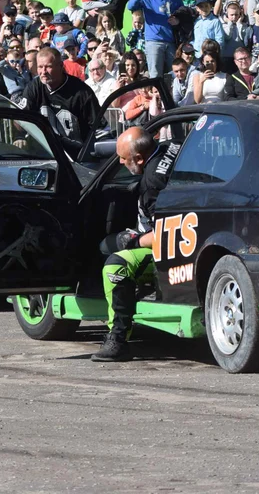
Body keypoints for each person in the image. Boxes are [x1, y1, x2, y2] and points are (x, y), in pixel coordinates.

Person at [92, 127, 181, 362]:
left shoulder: (152, 183)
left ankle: (117, 339)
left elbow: (165, 233)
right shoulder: (173, 147)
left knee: (113, 263)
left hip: (170, 249)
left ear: (139, 158)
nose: (120, 162)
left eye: (123, 158)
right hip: (186, 239)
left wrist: (135, 241)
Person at [16, 48, 99, 156]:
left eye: (48, 67)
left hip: (76, 156)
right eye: (40, 67)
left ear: (60, 66)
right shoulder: (34, 87)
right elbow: (21, 118)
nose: (43, 72)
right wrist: (19, 136)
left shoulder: (81, 92)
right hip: (45, 154)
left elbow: (98, 128)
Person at [127, 0, 184, 80]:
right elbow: (130, 6)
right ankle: (156, 97)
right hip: (154, 41)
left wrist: (178, 21)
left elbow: (183, 16)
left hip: (171, 41)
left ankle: (170, 97)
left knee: (173, 75)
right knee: (155, 76)